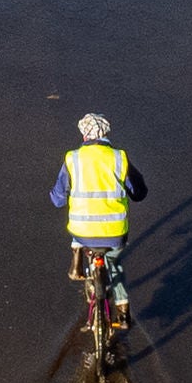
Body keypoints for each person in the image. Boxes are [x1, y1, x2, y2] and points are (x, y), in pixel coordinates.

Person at [51, 112, 142, 327]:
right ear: (106, 133)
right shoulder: (119, 157)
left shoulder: (72, 159)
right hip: (115, 232)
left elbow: (58, 200)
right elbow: (139, 192)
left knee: (76, 225)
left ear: (84, 135)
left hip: (82, 231)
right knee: (114, 263)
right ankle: (123, 310)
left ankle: (76, 260)